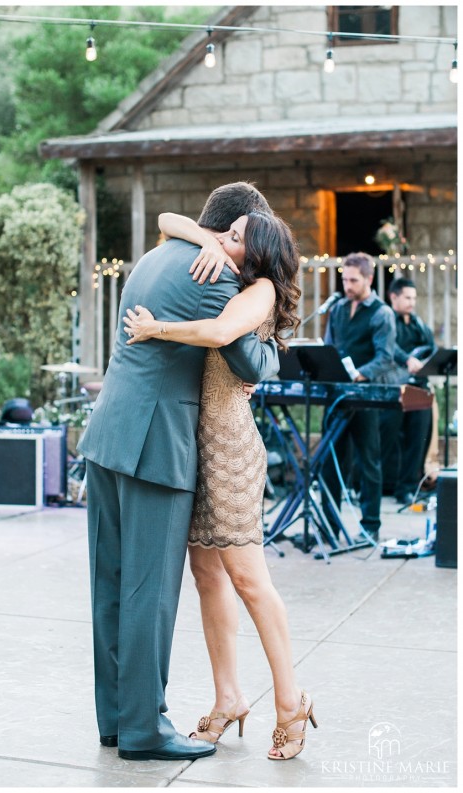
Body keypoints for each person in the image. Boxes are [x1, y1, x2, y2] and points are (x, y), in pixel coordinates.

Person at [77, 182, 281, 762]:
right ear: (231, 229)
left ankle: (115, 721)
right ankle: (144, 729)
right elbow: (249, 361)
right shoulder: (214, 276)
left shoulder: (151, 256)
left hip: (107, 434)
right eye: (246, 237)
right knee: (151, 590)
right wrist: (269, 339)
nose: (249, 251)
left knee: (110, 587)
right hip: (155, 445)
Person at [123, 210, 318, 762]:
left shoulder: (257, 290)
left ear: (255, 251)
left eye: (235, 236)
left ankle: (291, 702)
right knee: (207, 574)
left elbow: (217, 333)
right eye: (224, 231)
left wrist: (153, 328)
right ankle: (228, 696)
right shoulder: (230, 276)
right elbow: (167, 217)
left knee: (250, 580)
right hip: (197, 446)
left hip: (230, 449)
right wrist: (205, 237)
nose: (224, 241)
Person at [320, 252, 396, 542]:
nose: (347, 285)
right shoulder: (338, 309)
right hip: (337, 396)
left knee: (369, 462)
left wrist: (357, 374)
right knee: (329, 462)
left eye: (353, 280)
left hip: (365, 397)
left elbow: (385, 359)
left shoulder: (381, 312)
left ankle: (370, 527)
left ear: (369, 279)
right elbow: (330, 346)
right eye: (344, 279)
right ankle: (330, 528)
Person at [380, 278, 436, 505]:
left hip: (416, 389)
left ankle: (407, 487)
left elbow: (430, 347)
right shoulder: (386, 320)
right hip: (392, 388)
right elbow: (386, 347)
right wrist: (407, 359)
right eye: (407, 298)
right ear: (393, 297)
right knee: (387, 438)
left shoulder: (417, 323)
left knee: (417, 438)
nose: (412, 302)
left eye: (414, 298)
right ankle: (382, 485)